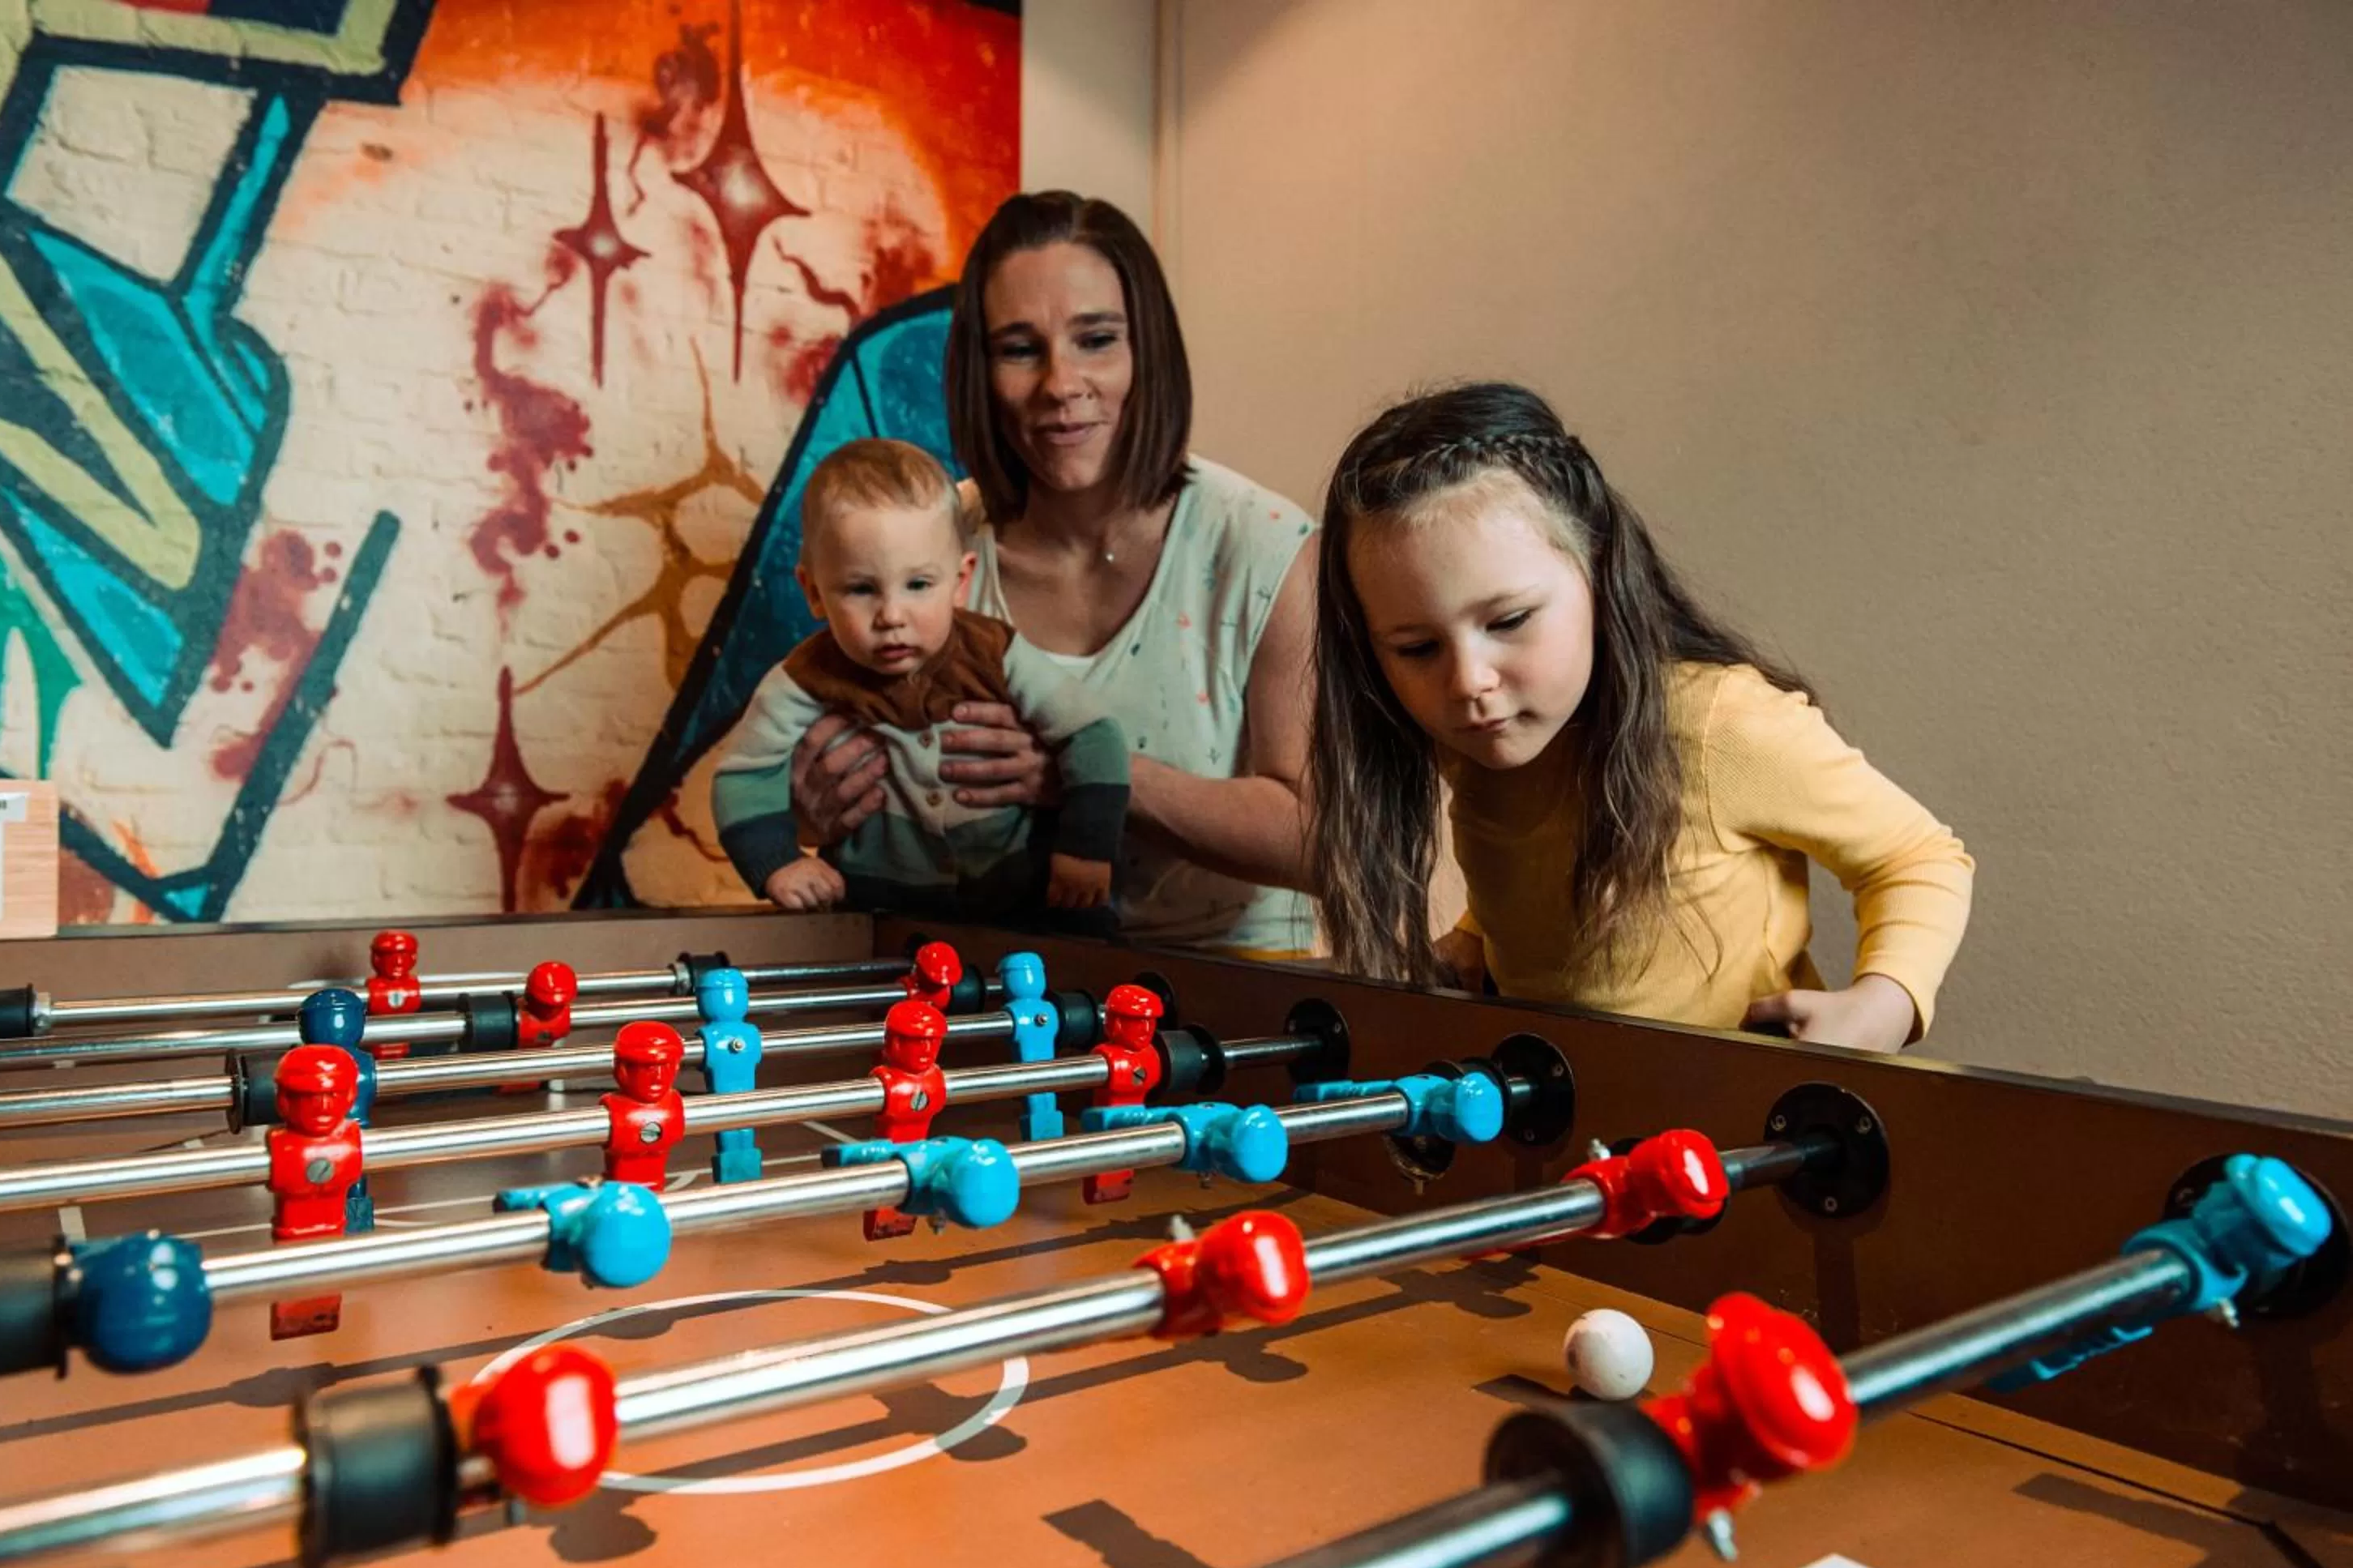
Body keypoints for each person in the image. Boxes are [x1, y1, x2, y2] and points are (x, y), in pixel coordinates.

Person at [1305, 382, 1974, 1053]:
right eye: (1416, 648)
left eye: (1509, 621)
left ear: (1598, 567)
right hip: (1572, 1107)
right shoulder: (1475, 738)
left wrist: (1885, 1002)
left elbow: (1919, 857)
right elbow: (1548, 865)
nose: (1467, 682)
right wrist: (1478, 933)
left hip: (1731, 1128)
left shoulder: (1718, 725)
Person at [788, 191, 1318, 955]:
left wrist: (1087, 775)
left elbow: (1325, 844)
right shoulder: (928, 546)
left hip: (1239, 995)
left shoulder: (1265, 548)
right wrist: (811, 807)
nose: (1061, 383)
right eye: (1019, 348)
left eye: (1096, 339)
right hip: (986, 988)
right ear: (981, 369)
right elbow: (839, 776)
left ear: (1148, 352)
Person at [713, 438, 1128, 934]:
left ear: (960, 580)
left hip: (1021, 888)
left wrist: (1085, 849)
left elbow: (1094, 733)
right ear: (814, 592)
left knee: (1085, 948)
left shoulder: (995, 652)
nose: (891, 617)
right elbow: (743, 775)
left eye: (918, 585)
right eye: (861, 589)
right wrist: (778, 861)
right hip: (877, 901)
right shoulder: (805, 677)